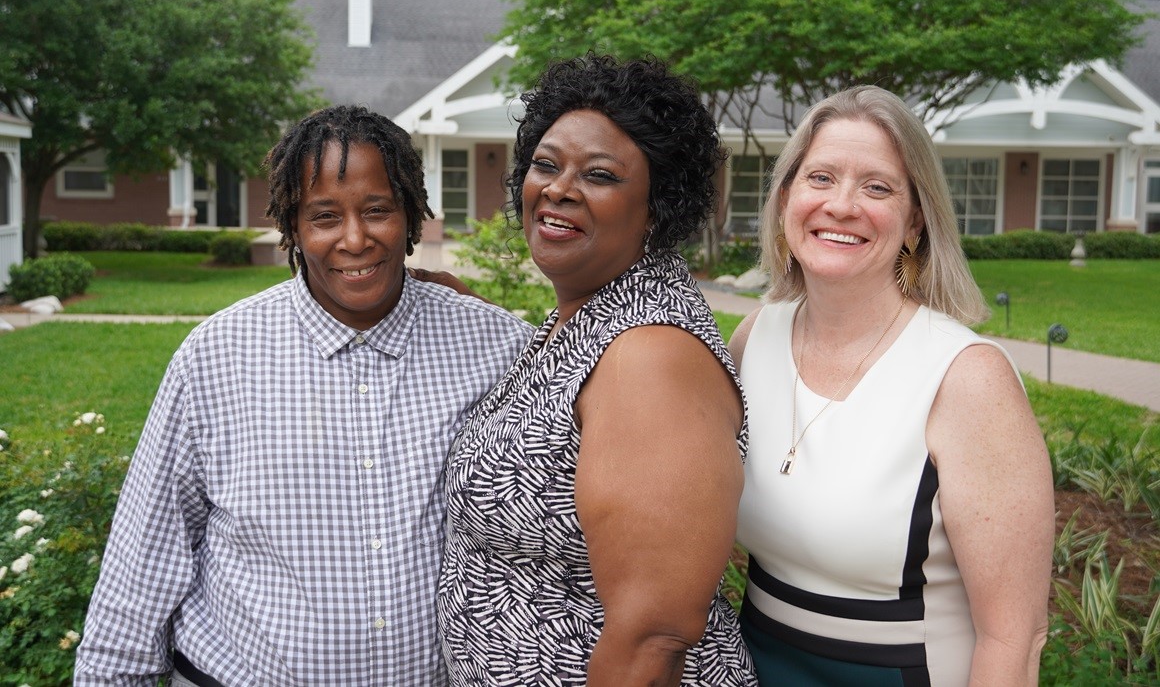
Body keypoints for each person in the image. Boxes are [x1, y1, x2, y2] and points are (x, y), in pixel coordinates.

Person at [74, 105, 532, 685]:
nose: (356, 239)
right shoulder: (216, 357)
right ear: (292, 227)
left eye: (377, 210)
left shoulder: (497, 349)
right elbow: (145, 558)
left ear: (411, 215)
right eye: (324, 217)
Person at [436, 54, 758, 687]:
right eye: (546, 164)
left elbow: (655, 635)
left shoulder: (651, 358)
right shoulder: (590, 317)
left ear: (658, 208)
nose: (558, 188)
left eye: (601, 175)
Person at [730, 85, 1054, 685]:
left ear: (915, 223)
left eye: (877, 187)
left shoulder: (966, 376)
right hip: (756, 663)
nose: (842, 205)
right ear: (784, 201)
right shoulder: (754, 339)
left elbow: (1014, 635)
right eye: (820, 178)